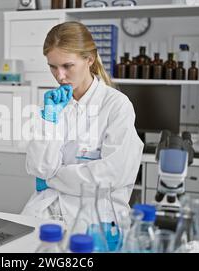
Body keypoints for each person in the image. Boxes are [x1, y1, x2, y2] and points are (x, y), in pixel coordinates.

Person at [21, 21, 144, 226]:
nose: (59, 76)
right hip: (45, 211)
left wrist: (53, 179)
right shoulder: (55, 104)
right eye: (53, 67)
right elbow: (38, 168)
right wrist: (48, 120)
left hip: (95, 218)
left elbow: (110, 176)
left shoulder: (116, 106)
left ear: (89, 59)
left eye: (67, 66)